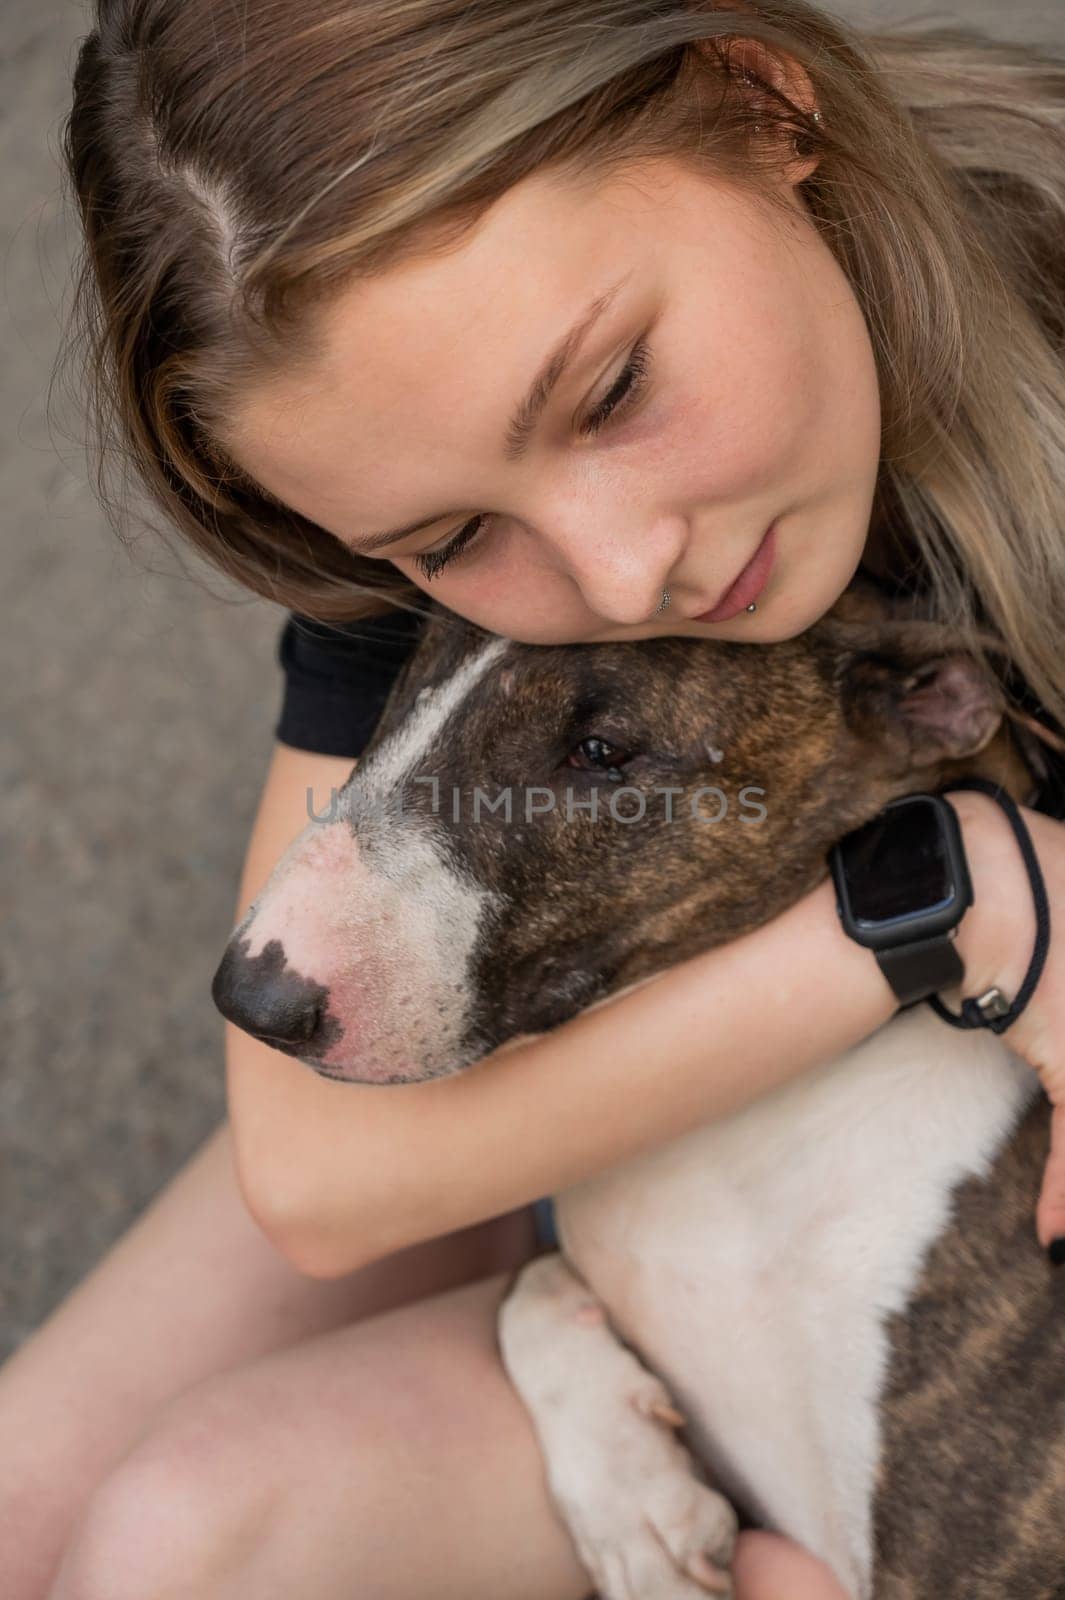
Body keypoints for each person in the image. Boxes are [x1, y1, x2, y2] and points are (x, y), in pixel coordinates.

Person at [4, 2, 1065, 1596]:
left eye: (614, 386)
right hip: (679, 1015)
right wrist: (953, 897)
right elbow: (317, 1177)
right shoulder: (411, 430)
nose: (626, 568)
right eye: (444, 547)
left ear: (759, 101)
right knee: (43, 1516)